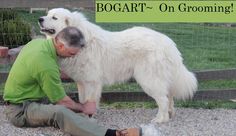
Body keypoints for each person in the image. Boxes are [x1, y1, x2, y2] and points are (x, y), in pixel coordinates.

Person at [3, 27, 142, 136]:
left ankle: (82, 122)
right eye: (71, 54)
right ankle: (113, 134)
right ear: (61, 46)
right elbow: (61, 101)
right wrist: (84, 107)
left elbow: (46, 72)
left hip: (35, 98)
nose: (71, 57)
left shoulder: (38, 43)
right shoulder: (45, 64)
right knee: (60, 112)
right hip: (20, 110)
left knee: (71, 102)